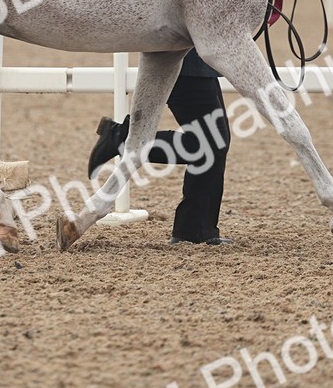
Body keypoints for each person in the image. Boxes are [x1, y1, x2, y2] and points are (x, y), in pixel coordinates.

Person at [86, 48, 233, 245]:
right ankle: (121, 138)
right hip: (186, 61)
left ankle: (194, 229)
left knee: (214, 143)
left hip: (196, 62)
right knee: (210, 143)